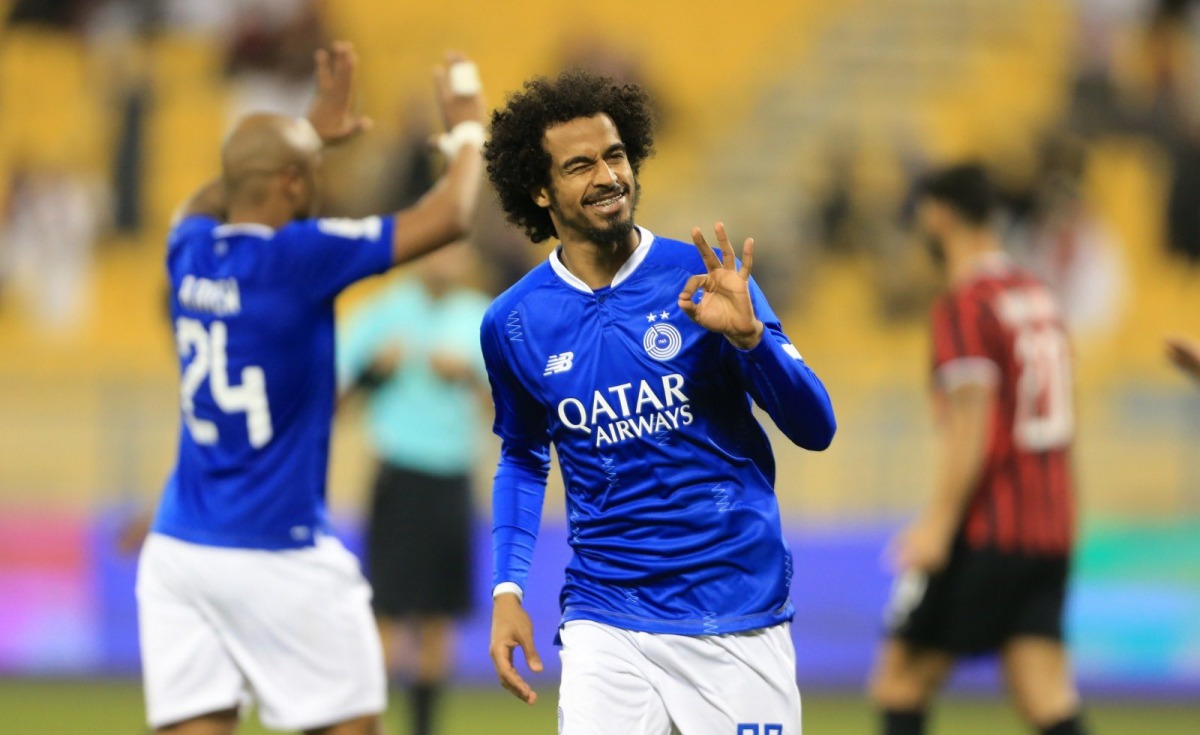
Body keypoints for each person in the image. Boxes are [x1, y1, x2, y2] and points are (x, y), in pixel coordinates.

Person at [136, 43, 486, 735]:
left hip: (179, 551)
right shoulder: (300, 257)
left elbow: (211, 194)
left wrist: (302, 138)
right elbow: (448, 216)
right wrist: (471, 131)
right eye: (313, 172)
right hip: (279, 550)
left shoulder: (186, 250)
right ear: (293, 184)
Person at [479, 69, 837, 734]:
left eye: (614, 155)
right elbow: (524, 458)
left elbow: (817, 427)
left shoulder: (706, 279)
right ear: (539, 189)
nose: (608, 175)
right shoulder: (514, 322)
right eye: (580, 164)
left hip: (735, 607)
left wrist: (754, 341)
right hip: (604, 614)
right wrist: (507, 591)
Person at [868, 164, 1089, 735]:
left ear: (938, 213)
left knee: (900, 679)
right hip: (1049, 526)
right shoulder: (1038, 296)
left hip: (990, 525)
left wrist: (936, 527)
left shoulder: (966, 304)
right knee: (1044, 691)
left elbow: (974, 421)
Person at [337, 241, 491, 735]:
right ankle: (371, 726)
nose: (448, 260)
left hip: (452, 475)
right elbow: (333, 399)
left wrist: (468, 375)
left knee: (437, 621)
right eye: (440, 250)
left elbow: (510, 410)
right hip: (399, 474)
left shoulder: (481, 316)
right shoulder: (382, 312)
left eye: (457, 251)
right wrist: (372, 372)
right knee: (387, 615)